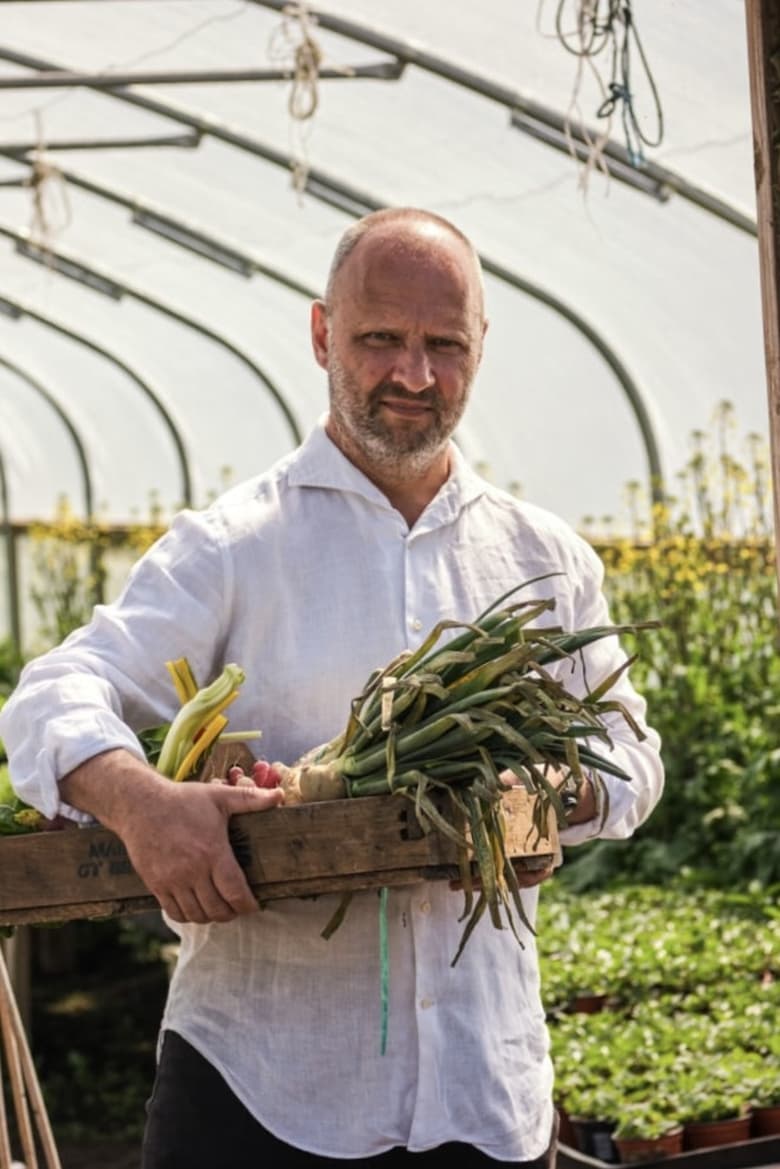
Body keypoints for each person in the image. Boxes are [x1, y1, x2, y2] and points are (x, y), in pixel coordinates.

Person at [0, 208, 663, 1168]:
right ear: (321, 336)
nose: (413, 375)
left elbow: (631, 756)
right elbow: (53, 691)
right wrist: (142, 802)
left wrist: (556, 797)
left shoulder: (542, 559)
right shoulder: (234, 546)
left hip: (483, 1094)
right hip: (260, 1091)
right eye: (379, 339)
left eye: (444, 344)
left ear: (481, 346)